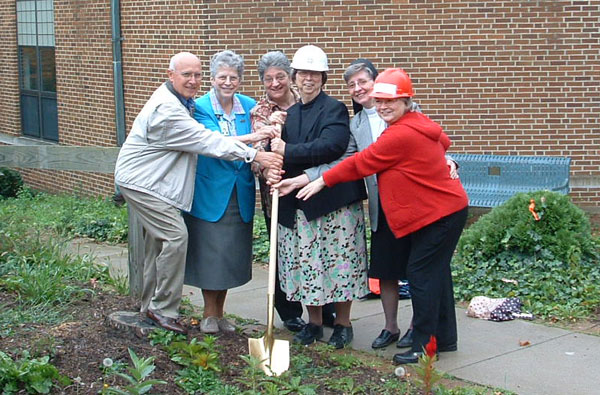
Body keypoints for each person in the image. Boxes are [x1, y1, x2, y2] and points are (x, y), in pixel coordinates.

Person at [297, 68, 468, 363]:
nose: (383, 106)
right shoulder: (415, 122)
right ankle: (444, 339)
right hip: (440, 210)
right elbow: (443, 141)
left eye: (390, 101)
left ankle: (424, 346)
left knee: (421, 275)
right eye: (379, 101)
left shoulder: (399, 133)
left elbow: (361, 163)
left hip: (441, 214)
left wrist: (322, 180)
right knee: (431, 274)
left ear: (406, 101)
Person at [114, 52, 282, 335]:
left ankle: (149, 307)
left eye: (196, 75)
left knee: (158, 244)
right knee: (175, 237)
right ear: (171, 76)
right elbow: (206, 141)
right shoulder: (168, 111)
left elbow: (213, 139)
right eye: (186, 75)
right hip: (142, 183)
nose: (192, 81)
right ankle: (163, 309)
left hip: (154, 183)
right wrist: (255, 154)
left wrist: (259, 133)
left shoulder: (180, 101)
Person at [343, 60, 459, 351]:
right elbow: (350, 160)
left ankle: (420, 333)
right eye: (352, 85)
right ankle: (391, 327)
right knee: (388, 268)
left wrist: (448, 161)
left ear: (376, 84)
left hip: (418, 208)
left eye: (363, 82)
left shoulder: (408, 114)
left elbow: (438, 142)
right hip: (383, 206)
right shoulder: (353, 124)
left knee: (422, 272)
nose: (359, 89)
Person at [266, 45, 369, 349]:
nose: (307, 79)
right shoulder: (288, 115)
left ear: (323, 78)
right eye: (302, 73)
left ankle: (343, 324)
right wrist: (272, 166)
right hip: (298, 202)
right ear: (295, 78)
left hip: (333, 202)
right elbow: (278, 156)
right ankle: (313, 324)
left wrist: (288, 150)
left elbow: (332, 146)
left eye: (314, 73)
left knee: (339, 263)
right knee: (306, 265)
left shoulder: (334, 109)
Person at [183, 50, 274, 334]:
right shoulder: (199, 108)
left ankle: (220, 313)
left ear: (240, 80)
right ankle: (209, 314)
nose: (227, 82)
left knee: (230, 255)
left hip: (240, 192)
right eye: (222, 77)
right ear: (212, 79)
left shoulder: (249, 106)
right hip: (210, 191)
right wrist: (254, 141)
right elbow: (215, 142)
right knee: (211, 253)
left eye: (233, 77)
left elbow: (270, 127)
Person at [250, 50, 336, 333]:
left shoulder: (306, 101)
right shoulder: (262, 113)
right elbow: (258, 154)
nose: (275, 83)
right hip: (279, 189)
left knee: (316, 251)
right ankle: (289, 311)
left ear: (291, 78)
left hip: (313, 187)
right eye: (268, 79)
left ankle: (323, 310)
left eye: (280, 77)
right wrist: (267, 170)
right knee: (284, 252)